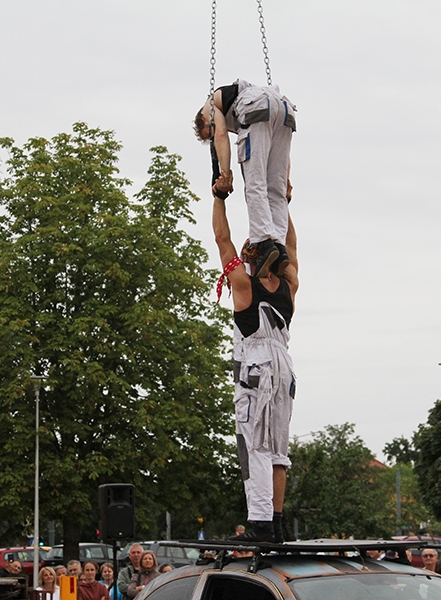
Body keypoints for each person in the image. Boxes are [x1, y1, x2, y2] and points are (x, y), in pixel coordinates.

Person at [213, 196, 299, 544]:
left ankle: (261, 523)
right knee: (278, 448)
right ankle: (277, 523)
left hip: (258, 367)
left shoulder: (245, 285)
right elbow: (291, 245)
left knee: (255, 445)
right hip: (285, 369)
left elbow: (222, 239)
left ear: (251, 257)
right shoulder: (289, 286)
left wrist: (218, 199)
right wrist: (283, 205)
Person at [195, 79, 297, 278]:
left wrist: (225, 175)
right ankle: (279, 247)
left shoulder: (209, 106)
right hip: (285, 109)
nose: (213, 136)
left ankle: (264, 244)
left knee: (255, 183)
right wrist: (286, 178)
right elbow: (282, 153)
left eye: (209, 132)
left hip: (256, 108)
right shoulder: (239, 98)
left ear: (204, 120)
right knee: (275, 191)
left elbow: (222, 134)